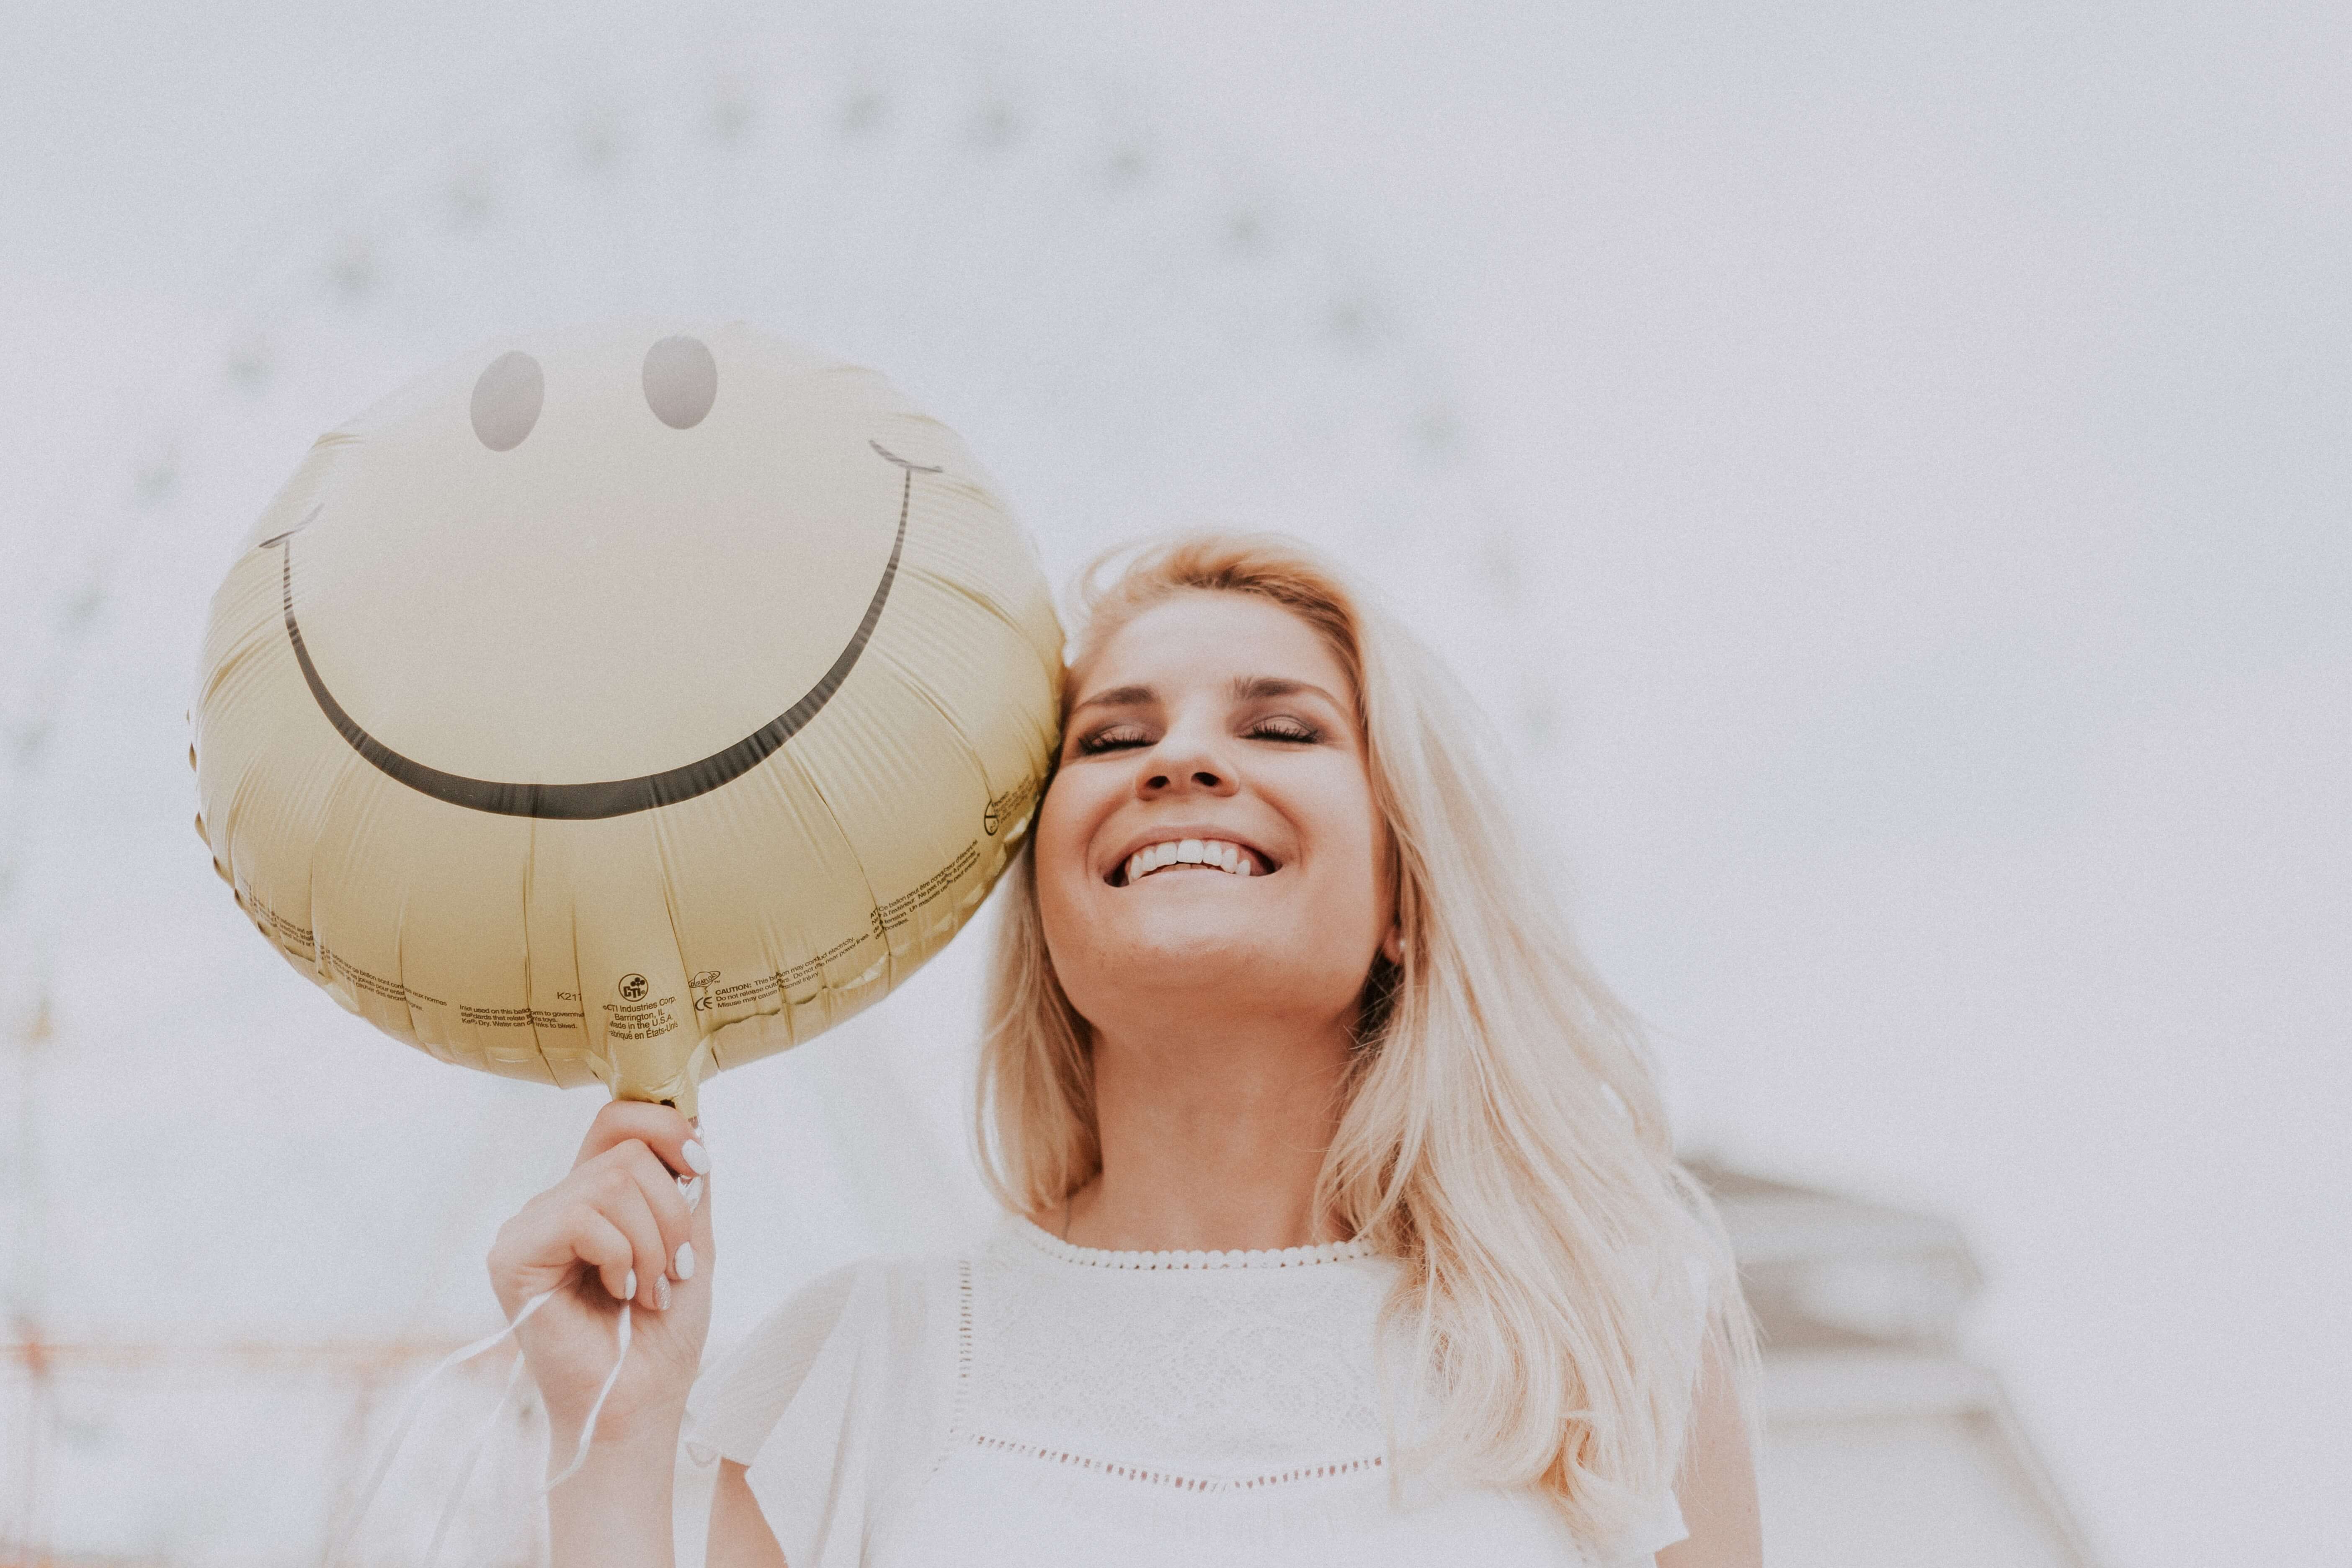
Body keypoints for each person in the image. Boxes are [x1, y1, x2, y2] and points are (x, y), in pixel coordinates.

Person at [489, 534, 1765, 1567]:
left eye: (1281, 730)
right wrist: (608, 1435)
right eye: (1112, 739)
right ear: (1043, 903)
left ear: (1406, 901)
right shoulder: (863, 1374)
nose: (1182, 760)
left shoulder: (1610, 1345)